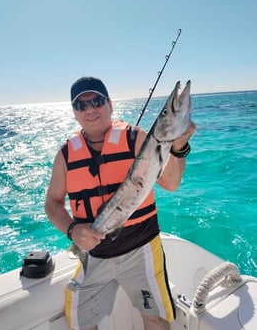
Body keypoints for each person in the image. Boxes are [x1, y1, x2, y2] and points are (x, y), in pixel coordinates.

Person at [45, 76, 196, 330]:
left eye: (97, 101)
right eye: (82, 105)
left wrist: (179, 148)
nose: (90, 109)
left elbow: (170, 184)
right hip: (95, 255)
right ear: (74, 113)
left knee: (156, 319)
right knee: (80, 322)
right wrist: (72, 230)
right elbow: (52, 203)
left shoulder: (135, 138)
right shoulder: (66, 154)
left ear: (110, 105)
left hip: (141, 248)